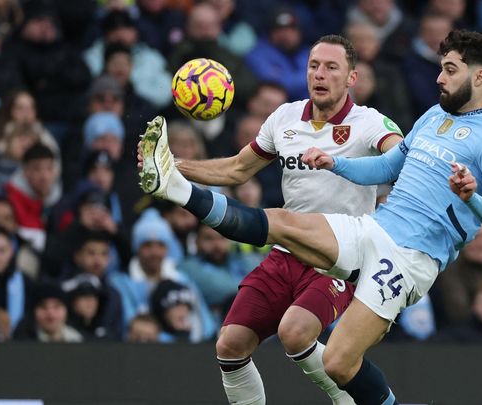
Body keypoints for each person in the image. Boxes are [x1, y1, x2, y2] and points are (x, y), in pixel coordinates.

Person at [139, 29, 482, 404]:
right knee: (279, 230)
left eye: (450, 70)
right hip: (370, 230)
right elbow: (387, 166)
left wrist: (471, 198)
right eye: (313, 65)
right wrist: (336, 164)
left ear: (479, 77)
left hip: (410, 259)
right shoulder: (433, 116)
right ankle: (174, 187)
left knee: (337, 363)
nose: (439, 77)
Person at [140, 34, 403, 405]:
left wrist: (344, 164)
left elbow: (399, 158)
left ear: (351, 78)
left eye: (331, 67)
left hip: (340, 260)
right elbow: (235, 170)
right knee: (230, 345)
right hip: (287, 251)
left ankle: (346, 399)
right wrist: (175, 167)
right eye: (314, 66)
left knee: (295, 332)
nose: (320, 75)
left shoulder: (369, 122)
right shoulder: (284, 118)